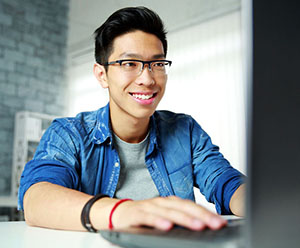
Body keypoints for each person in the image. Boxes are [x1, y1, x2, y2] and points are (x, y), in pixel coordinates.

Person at [18, 6, 246, 232]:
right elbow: (37, 200)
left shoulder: (185, 130)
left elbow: (227, 183)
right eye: (129, 64)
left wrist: (262, 201)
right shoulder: (68, 134)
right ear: (101, 75)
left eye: (157, 64)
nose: (147, 79)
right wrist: (122, 212)